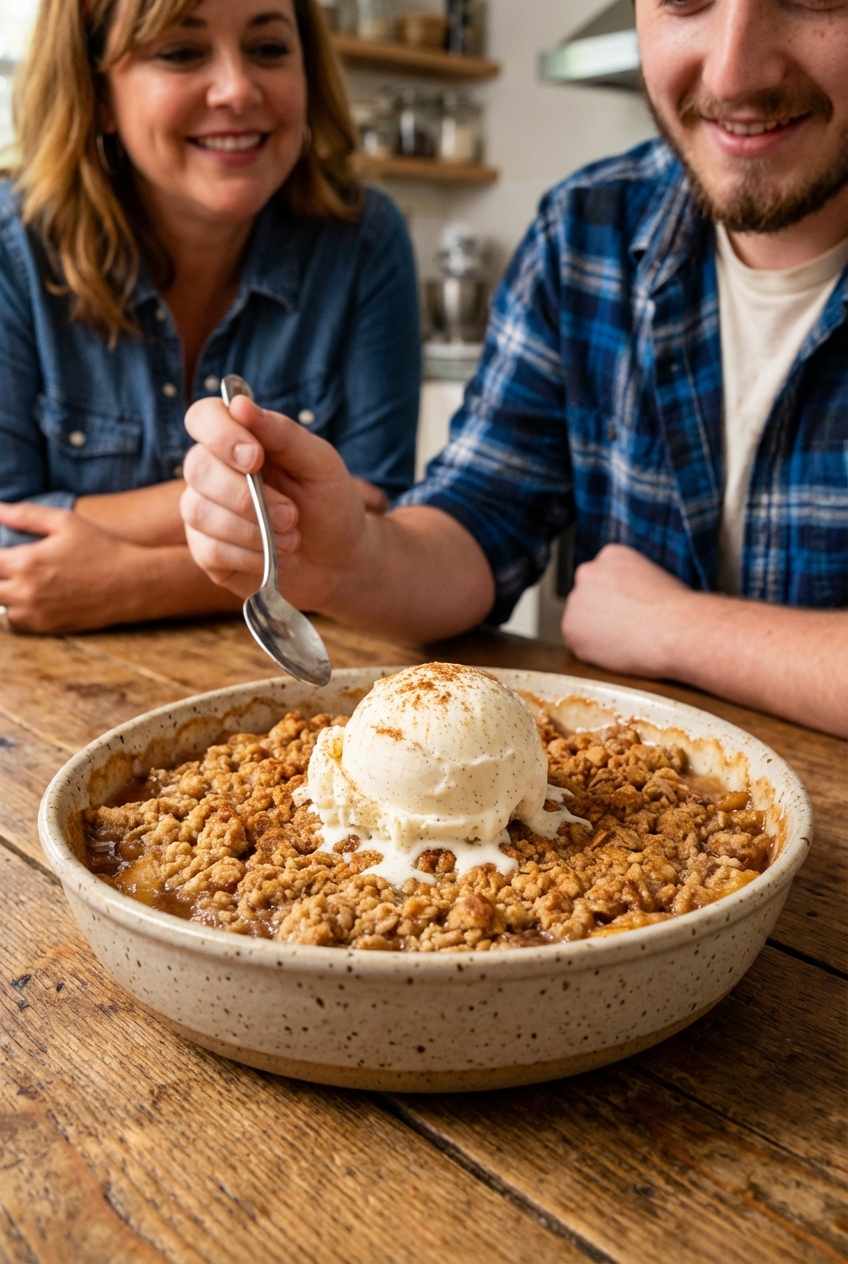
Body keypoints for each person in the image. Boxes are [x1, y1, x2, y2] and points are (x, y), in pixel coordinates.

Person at [180, 0, 848, 738]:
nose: (732, 74)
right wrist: (349, 561)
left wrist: (677, 628)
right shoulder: (588, 228)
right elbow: (481, 518)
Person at [0, 0, 420, 634]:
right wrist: (284, 510)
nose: (237, 89)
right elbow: (12, 542)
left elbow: (372, 518)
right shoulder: (14, 249)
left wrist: (136, 583)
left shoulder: (365, 240)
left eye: (269, 49)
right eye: (182, 53)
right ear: (99, 92)